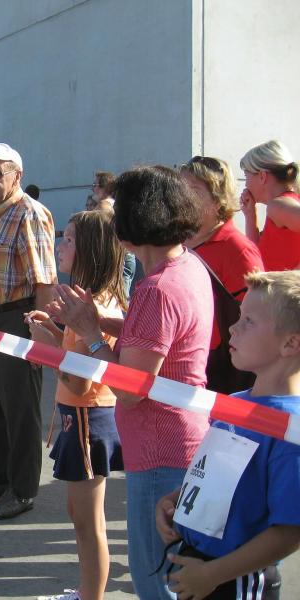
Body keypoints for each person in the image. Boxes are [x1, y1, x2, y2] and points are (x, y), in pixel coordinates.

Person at [50, 166, 213, 600]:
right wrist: (100, 322)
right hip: (177, 443)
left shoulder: (158, 288)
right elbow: (153, 338)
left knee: (154, 580)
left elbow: (131, 388)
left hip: (161, 451)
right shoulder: (187, 266)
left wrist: (90, 334)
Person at [156, 270, 300, 600]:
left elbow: (290, 530)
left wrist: (213, 574)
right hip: (197, 567)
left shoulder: (290, 429)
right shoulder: (233, 404)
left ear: (290, 343)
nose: (233, 328)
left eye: (249, 321)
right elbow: (219, 477)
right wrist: (175, 500)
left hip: (237, 580)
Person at [27, 210, 126, 600]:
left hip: (88, 415)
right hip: (80, 415)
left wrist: (47, 348)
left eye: (68, 239)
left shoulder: (94, 306)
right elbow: (76, 356)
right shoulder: (84, 301)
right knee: (80, 516)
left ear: (90, 250)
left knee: (88, 522)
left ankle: (91, 595)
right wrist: (53, 331)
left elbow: (80, 380)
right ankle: (87, 591)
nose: (60, 246)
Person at [0, 142, 57, 520]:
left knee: (19, 410)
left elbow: (45, 281)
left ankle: (21, 490)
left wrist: (40, 336)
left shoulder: (28, 213)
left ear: (16, 176)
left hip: (16, 319)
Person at [179, 156, 263, 391]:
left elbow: (258, 319)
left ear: (217, 200)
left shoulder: (238, 249)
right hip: (184, 364)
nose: (183, 198)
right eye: (181, 189)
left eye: (194, 191)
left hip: (221, 374)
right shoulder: (178, 243)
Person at [240, 139, 300, 271]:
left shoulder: (278, 205)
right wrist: (250, 216)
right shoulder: (282, 204)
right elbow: (256, 258)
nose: (246, 184)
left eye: (246, 176)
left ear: (262, 176)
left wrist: (294, 274)